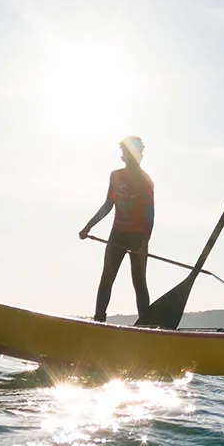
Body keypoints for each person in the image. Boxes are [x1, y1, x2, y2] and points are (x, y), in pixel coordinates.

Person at [79, 135, 155, 322]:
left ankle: (146, 326)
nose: (129, 156)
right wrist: (88, 226)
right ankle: (98, 321)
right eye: (126, 152)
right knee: (107, 278)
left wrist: (144, 243)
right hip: (118, 235)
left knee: (139, 283)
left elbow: (150, 214)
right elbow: (108, 205)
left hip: (138, 237)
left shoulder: (146, 181)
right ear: (123, 155)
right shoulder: (116, 176)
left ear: (140, 155)